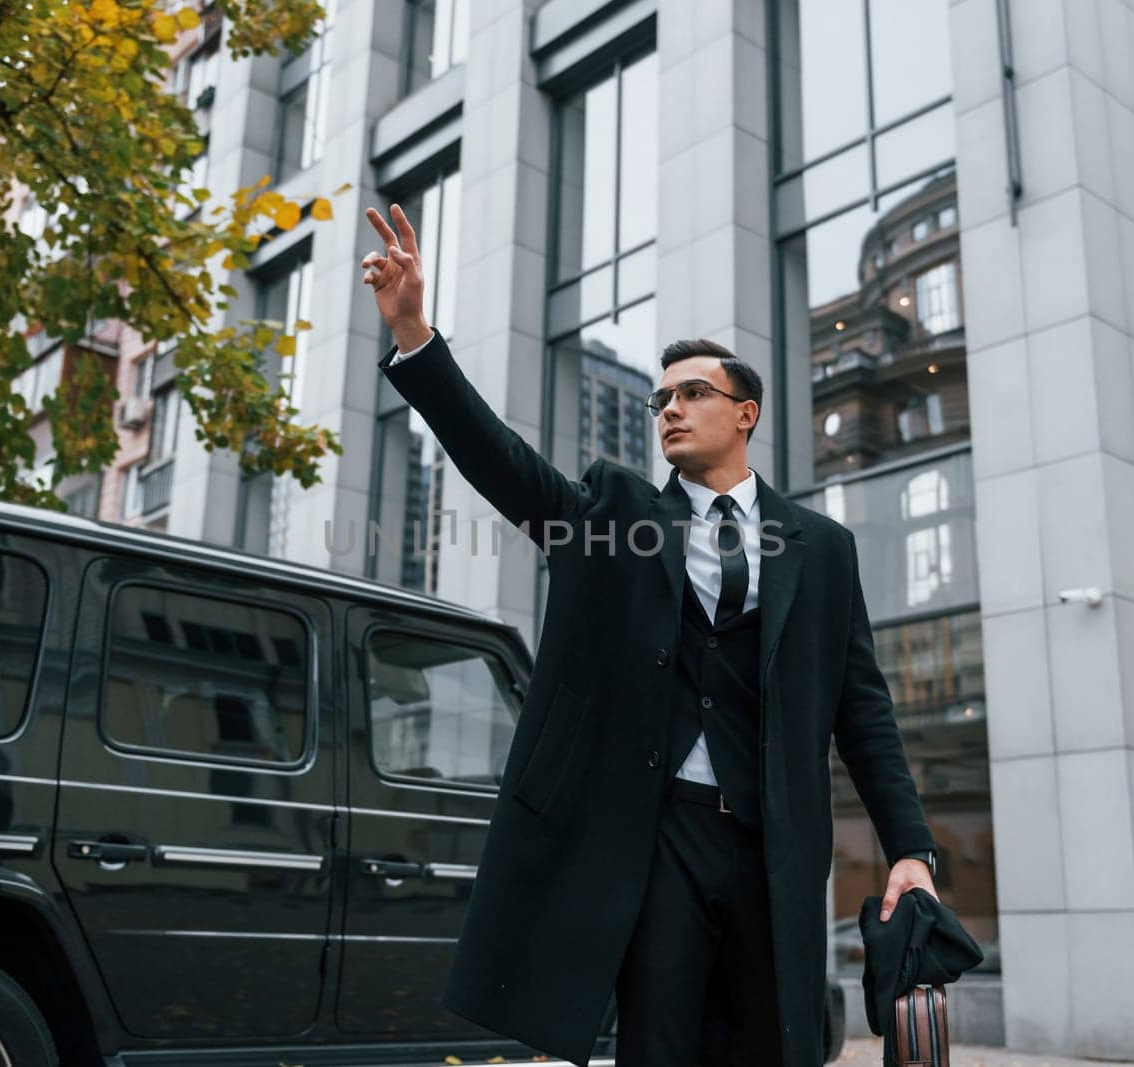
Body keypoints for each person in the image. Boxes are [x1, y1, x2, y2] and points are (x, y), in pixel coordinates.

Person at [360, 204, 939, 1067]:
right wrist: (416, 335)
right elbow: (502, 463)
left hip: (771, 846)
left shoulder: (822, 548)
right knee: (657, 1047)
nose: (668, 409)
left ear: (745, 413)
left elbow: (863, 710)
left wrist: (911, 851)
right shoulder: (613, 516)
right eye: (660, 397)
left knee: (771, 1049)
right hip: (657, 836)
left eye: (692, 393)